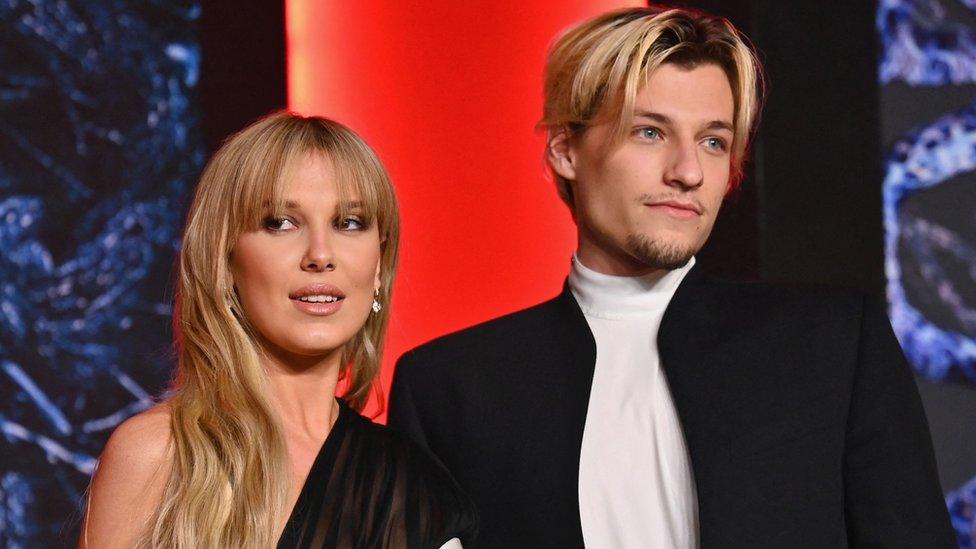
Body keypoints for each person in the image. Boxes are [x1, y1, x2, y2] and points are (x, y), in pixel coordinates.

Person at [388, 6, 955, 548]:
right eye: (650, 132)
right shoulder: (451, 390)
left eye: (714, 141)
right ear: (566, 151)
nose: (687, 172)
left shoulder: (831, 346)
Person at [81, 112, 475, 548]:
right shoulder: (159, 456)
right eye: (280, 224)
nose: (320, 255)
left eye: (349, 224)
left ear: (379, 266)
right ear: (225, 261)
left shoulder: (417, 488)